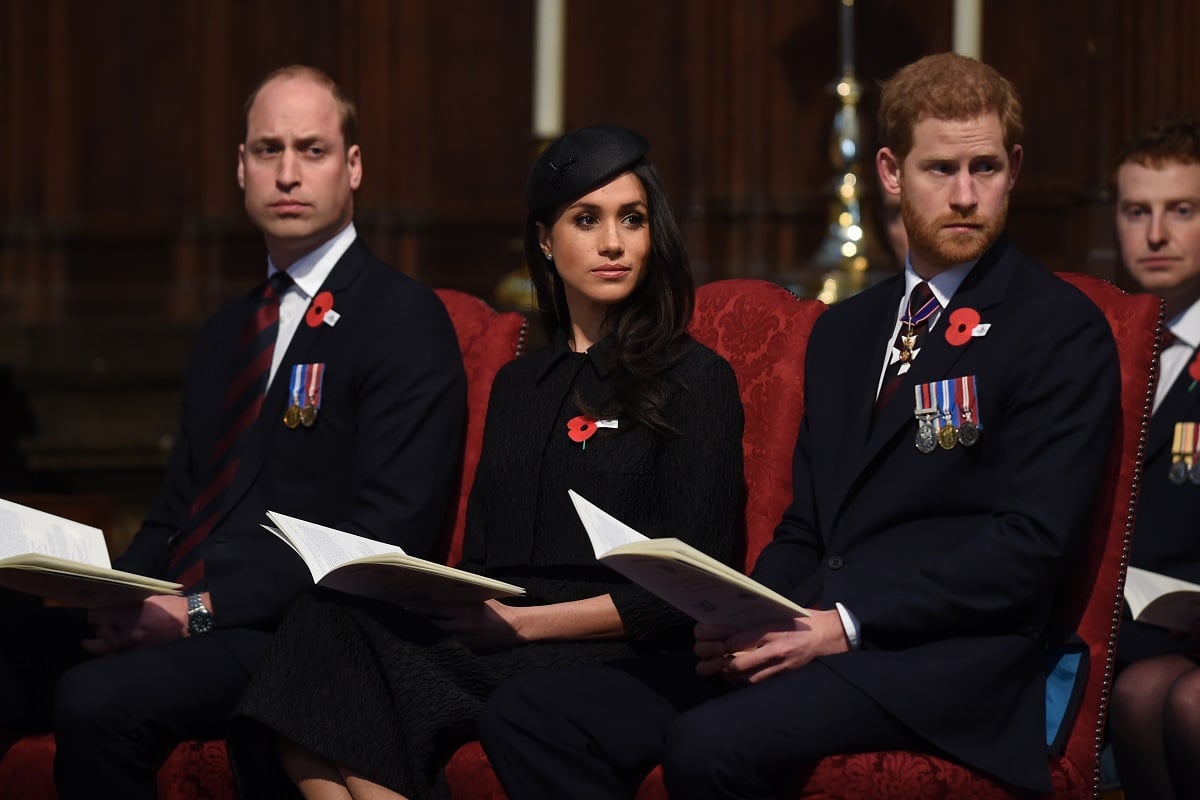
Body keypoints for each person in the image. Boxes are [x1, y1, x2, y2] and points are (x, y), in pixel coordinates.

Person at [479, 52, 1120, 798]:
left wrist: (841, 624)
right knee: (532, 714)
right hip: (812, 635)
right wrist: (743, 614)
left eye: (985, 168)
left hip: (948, 664)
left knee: (708, 742)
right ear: (890, 172)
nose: (966, 195)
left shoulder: (1059, 327)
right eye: (940, 169)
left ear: (1015, 168)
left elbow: (1028, 550)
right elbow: (809, 529)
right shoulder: (847, 331)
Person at [226, 125, 745, 800]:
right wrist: (433, 591)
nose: (613, 243)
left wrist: (522, 623)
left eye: (632, 220)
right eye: (586, 220)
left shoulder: (696, 378)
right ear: (544, 241)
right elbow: (484, 560)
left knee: (345, 686)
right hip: (501, 629)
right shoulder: (517, 386)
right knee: (322, 624)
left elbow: (694, 586)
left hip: (616, 644)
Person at [0, 65, 467, 799]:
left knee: (98, 702)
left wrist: (196, 614)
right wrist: (114, 596)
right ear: (240, 167)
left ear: (353, 167)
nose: (287, 173)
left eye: (311, 151)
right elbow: (178, 511)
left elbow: (384, 535)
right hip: (184, 608)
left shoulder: (401, 318)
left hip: (294, 634)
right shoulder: (226, 331)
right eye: (267, 150)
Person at [1108, 114, 1200, 800]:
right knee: (1140, 694)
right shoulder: (1099, 339)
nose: (1156, 235)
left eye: (1182, 210)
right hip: (1125, 625)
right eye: (1137, 211)